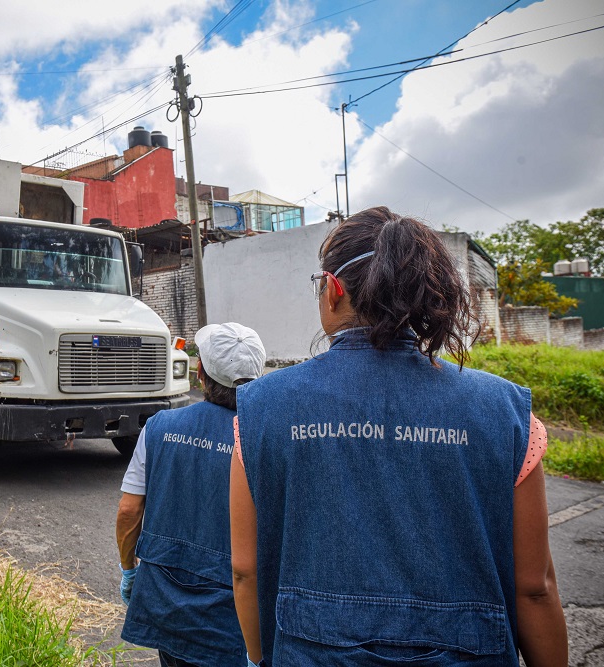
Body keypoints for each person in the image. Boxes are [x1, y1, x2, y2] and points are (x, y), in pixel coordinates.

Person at [230, 207, 568, 666]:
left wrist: (257, 657)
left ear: (332, 290)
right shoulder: (506, 413)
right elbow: (535, 587)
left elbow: (245, 572)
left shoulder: (261, 409)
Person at [116, 323, 266, 667]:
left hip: (167, 607)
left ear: (201, 374)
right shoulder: (263, 439)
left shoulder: (159, 427)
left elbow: (128, 511)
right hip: (234, 622)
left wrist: (129, 571)